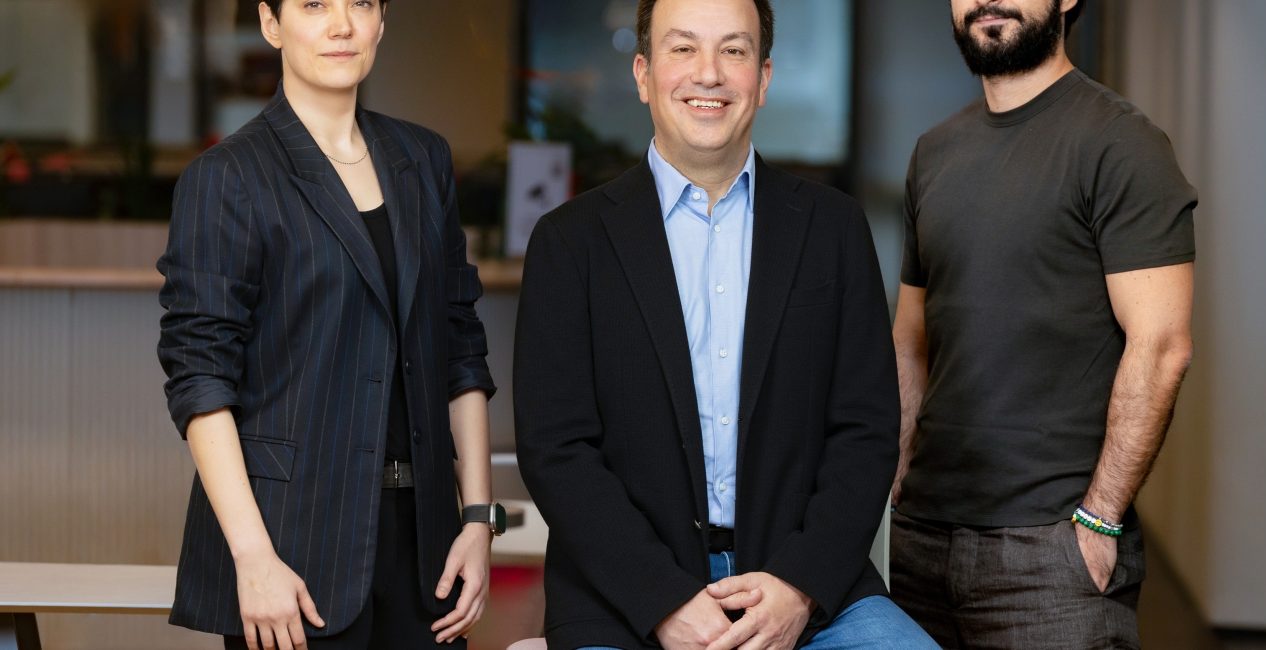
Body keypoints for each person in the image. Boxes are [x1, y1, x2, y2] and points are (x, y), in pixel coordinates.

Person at [513, 0, 941, 648]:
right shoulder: (569, 242)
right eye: (683, 48)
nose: (708, 72)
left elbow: (866, 429)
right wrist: (663, 600)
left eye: (734, 50)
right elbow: (556, 448)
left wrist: (798, 587)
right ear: (643, 73)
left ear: (763, 78)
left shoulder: (833, 229)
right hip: (623, 602)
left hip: (811, 595)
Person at [156, 1, 503, 648]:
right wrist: (252, 557)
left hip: (427, 547)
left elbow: (460, 345)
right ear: (270, 23)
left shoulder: (423, 159)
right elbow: (200, 380)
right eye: (314, 3)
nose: (341, 25)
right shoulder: (228, 176)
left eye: (360, 3)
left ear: (381, 21)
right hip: (291, 547)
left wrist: (478, 519)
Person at [888, 1, 1197, 648]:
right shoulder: (933, 153)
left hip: (1051, 557)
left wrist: (1101, 520)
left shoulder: (1123, 144)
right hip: (921, 542)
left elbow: (1162, 346)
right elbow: (910, 341)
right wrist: (895, 486)